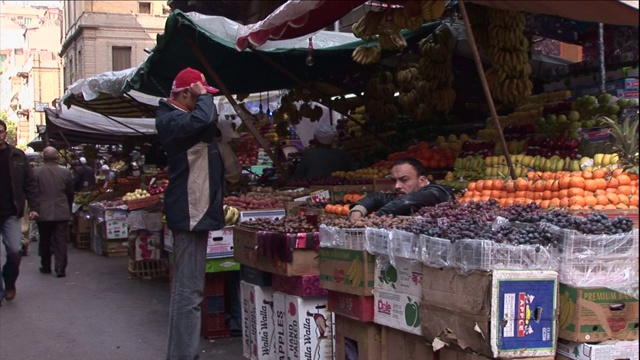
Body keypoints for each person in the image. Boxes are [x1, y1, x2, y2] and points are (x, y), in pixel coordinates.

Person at [155, 67, 225, 359]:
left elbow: (206, 122)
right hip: (190, 211)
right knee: (189, 294)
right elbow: (205, 118)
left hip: (193, 210)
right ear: (185, 94)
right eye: (197, 95)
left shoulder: (176, 118)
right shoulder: (174, 120)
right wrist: (202, 95)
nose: (201, 101)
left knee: (188, 293)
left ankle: (180, 354)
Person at [0, 119, 39, 305]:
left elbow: (29, 183)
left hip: (11, 213)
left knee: (15, 252)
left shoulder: (17, 155)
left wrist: (34, 207)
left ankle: (9, 282)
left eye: (0, 131)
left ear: (5, 133)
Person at [349, 158, 455, 219]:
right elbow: (375, 197)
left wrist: (374, 219)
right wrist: (357, 211)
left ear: (422, 180)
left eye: (404, 180)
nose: (397, 186)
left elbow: (407, 202)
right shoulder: (401, 196)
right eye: (394, 181)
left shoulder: (439, 192)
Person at [33, 147, 74, 278]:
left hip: (43, 210)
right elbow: (70, 192)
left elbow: (33, 192)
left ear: (43, 157)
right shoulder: (66, 172)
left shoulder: (36, 172)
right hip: (61, 209)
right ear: (57, 157)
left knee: (44, 239)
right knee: (60, 240)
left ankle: (46, 265)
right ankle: (60, 267)